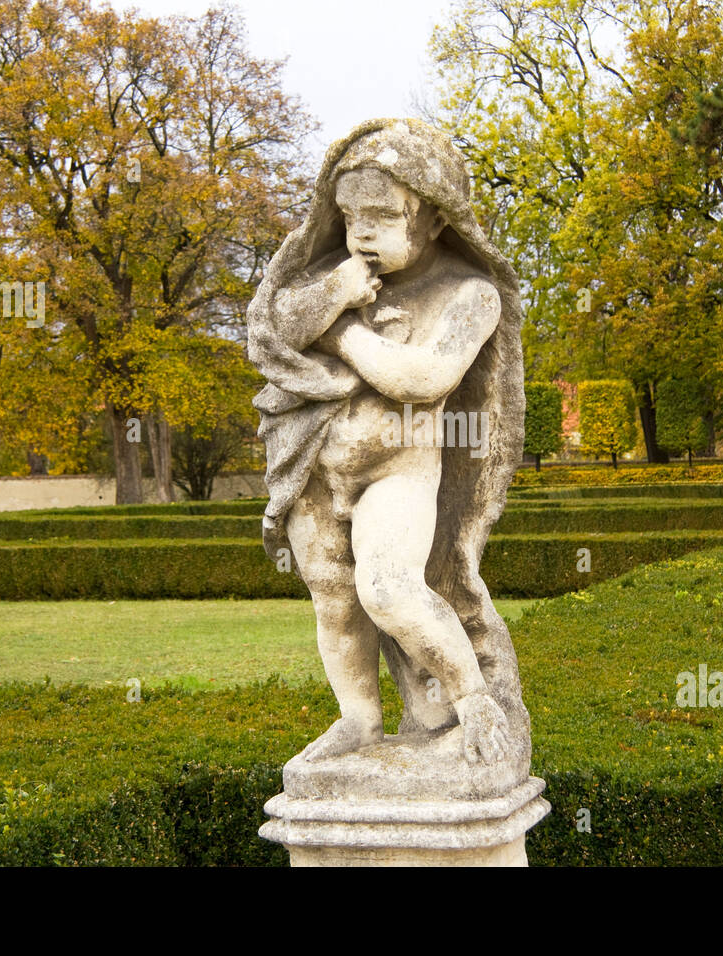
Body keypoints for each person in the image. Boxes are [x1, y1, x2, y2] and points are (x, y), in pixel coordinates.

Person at [246, 119, 529, 765]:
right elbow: (269, 328)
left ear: (431, 219)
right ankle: (359, 720)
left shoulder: (468, 293)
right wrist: (337, 293)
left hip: (397, 473)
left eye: (381, 214)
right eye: (350, 216)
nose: (362, 232)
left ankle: (474, 700)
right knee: (335, 599)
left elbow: (422, 379)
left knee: (390, 588)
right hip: (314, 469)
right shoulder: (332, 276)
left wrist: (338, 334)